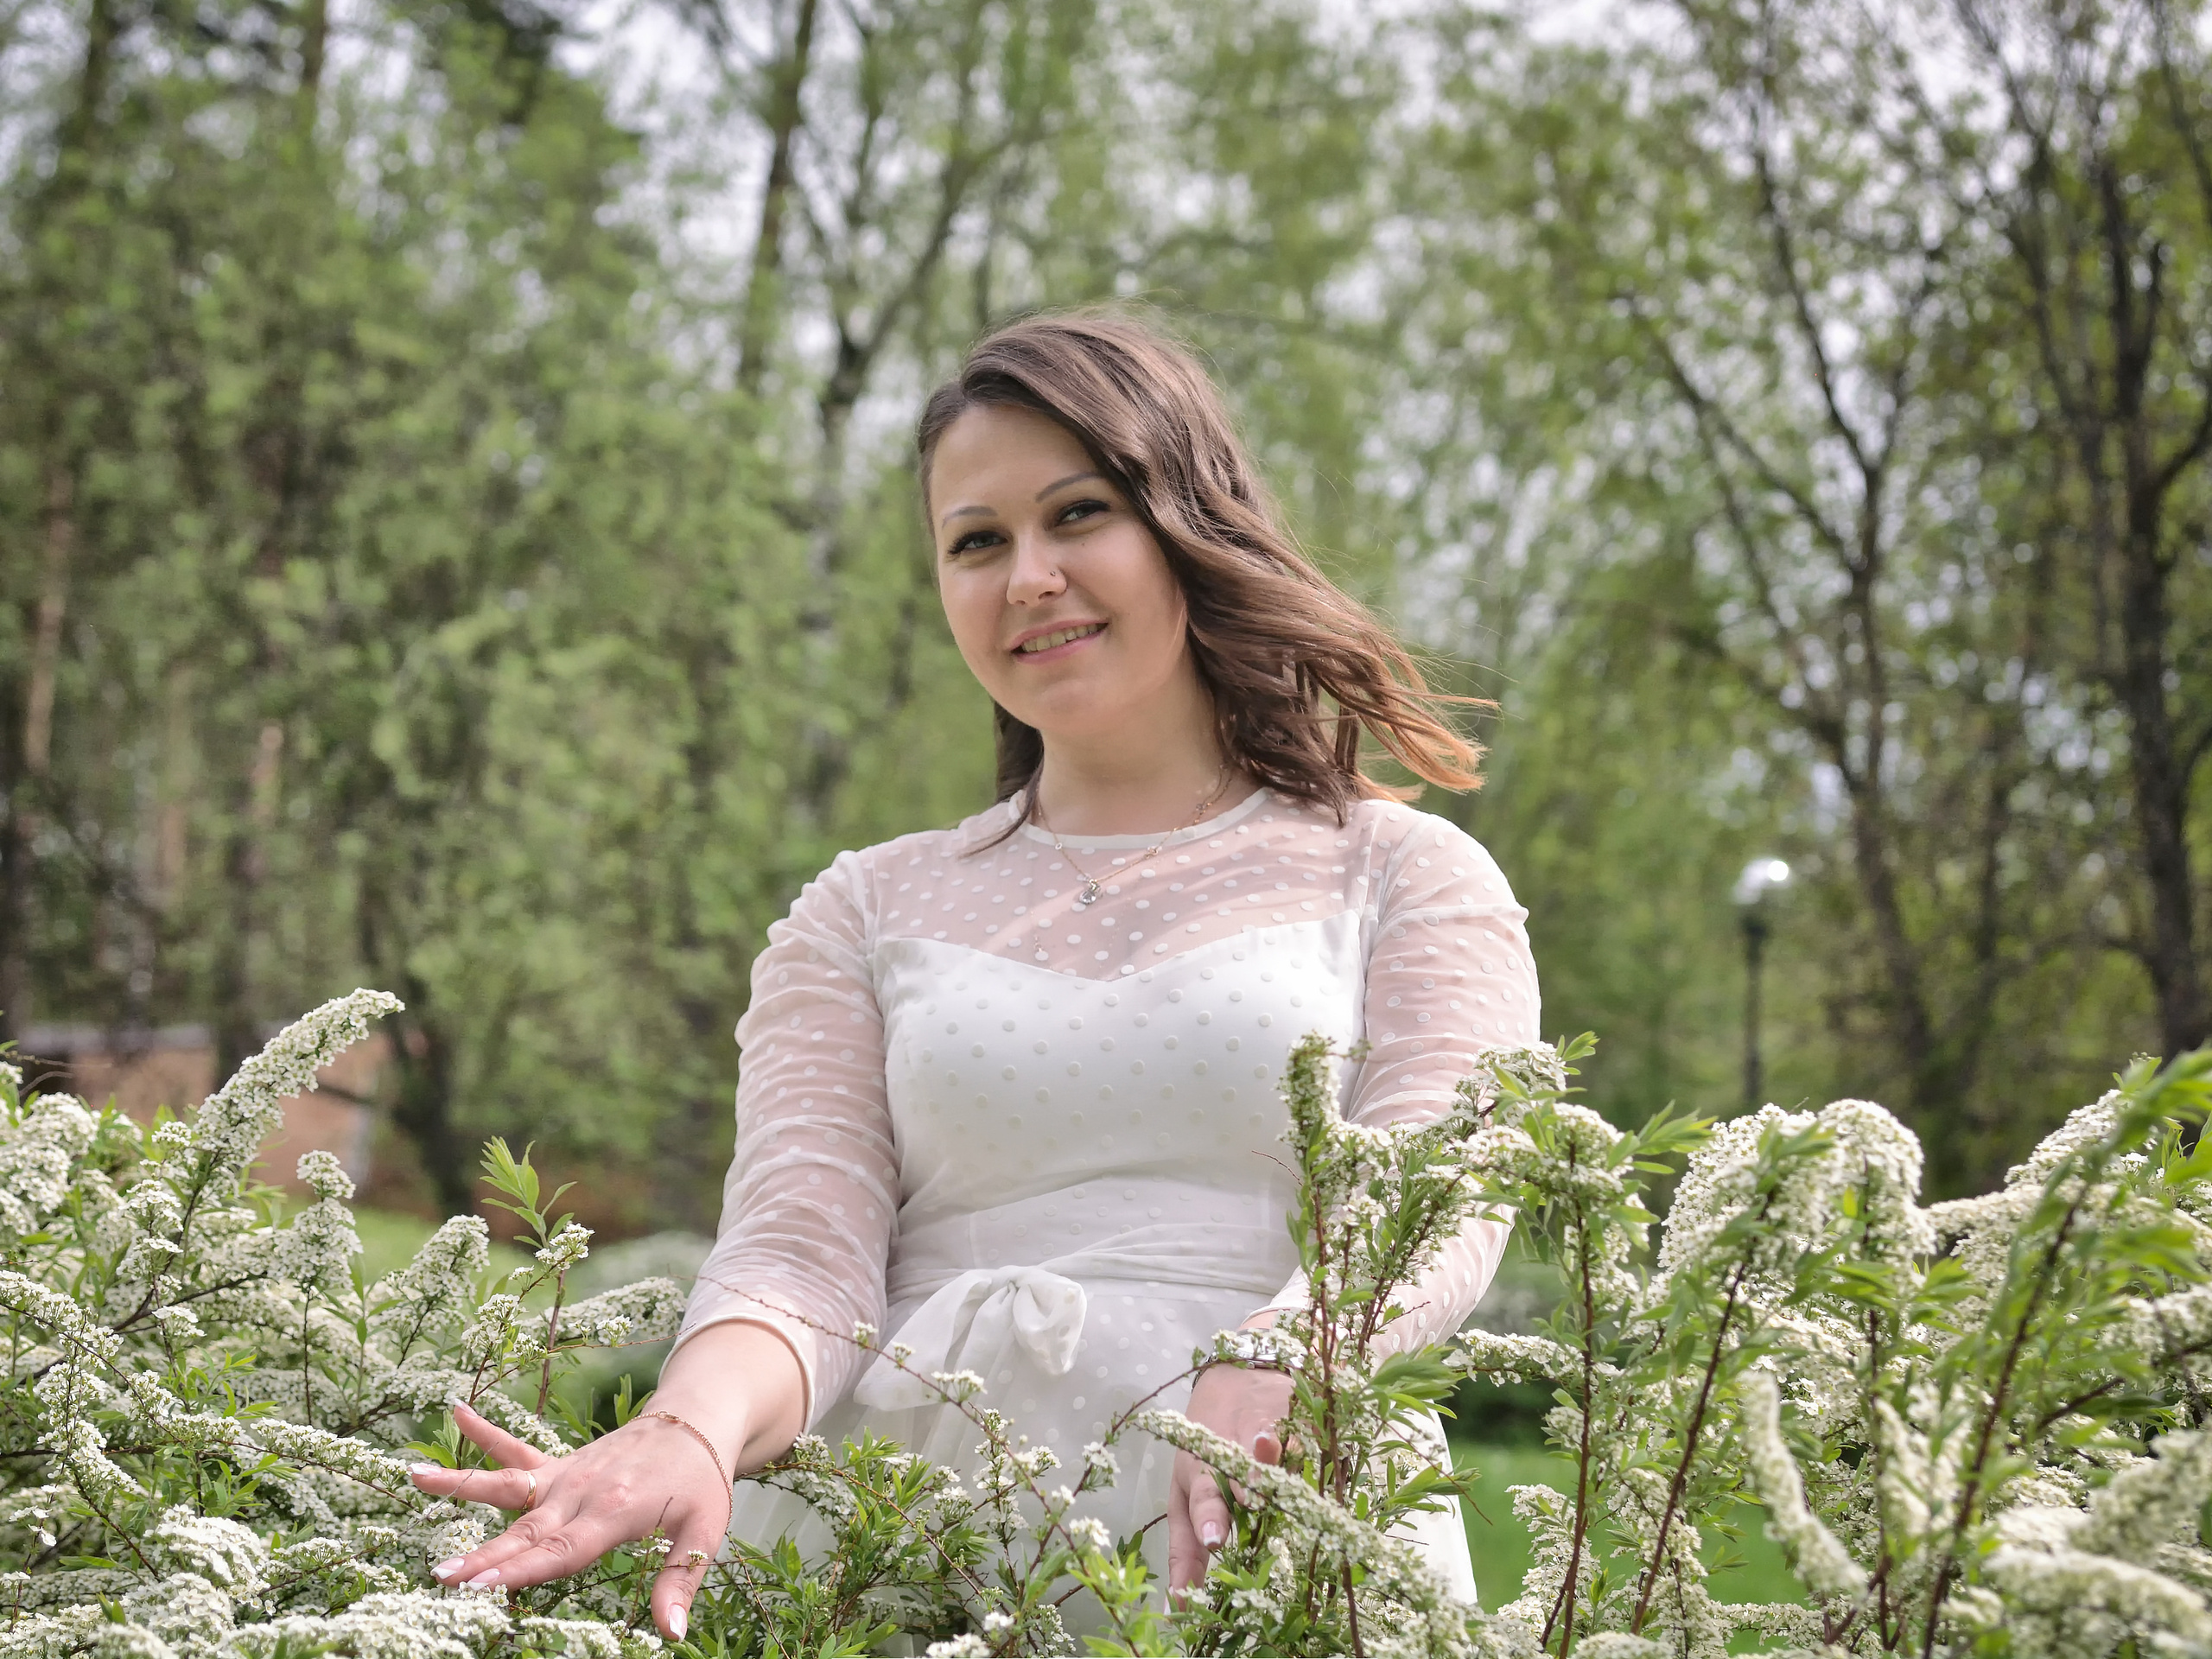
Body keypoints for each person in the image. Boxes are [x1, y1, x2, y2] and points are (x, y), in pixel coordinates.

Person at [410, 312, 1541, 1643]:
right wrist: (690, 1429)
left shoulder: (1404, 874)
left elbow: (1437, 1192)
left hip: (1258, 1509)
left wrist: (1292, 1355)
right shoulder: (862, 908)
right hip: (898, 1537)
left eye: (1079, 514)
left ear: (1189, 522)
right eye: (977, 541)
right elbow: (801, 1254)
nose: (1030, 577)